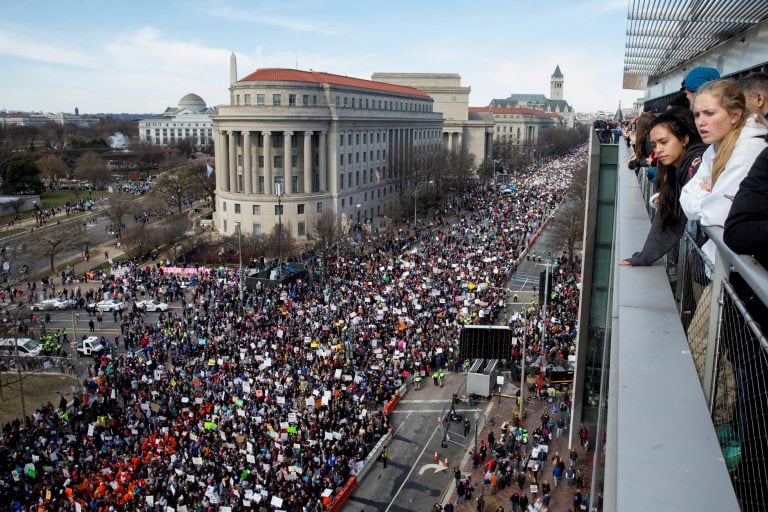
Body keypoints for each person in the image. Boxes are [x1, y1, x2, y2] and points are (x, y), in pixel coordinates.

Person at [680, 78, 768, 268]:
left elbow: (718, 215)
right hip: (721, 266)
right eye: (696, 115)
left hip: (738, 272)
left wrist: (708, 196)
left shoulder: (748, 150)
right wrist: (711, 196)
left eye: (709, 113)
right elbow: (685, 197)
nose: (700, 122)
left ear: (735, 115)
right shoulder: (715, 147)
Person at [619, 108, 707, 266]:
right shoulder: (678, 169)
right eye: (654, 145)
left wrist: (646, 256)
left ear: (685, 139)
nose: (658, 149)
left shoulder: (698, 165)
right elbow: (668, 213)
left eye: (663, 142)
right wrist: (646, 256)